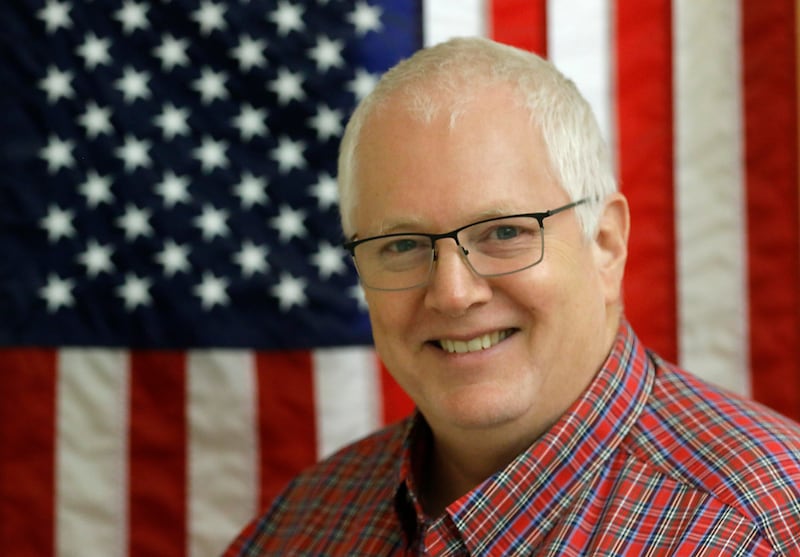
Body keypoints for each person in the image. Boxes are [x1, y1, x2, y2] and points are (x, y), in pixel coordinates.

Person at [225, 37, 800, 555]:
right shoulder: (301, 525)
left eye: (504, 233)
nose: (453, 294)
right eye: (402, 245)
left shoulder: (765, 527)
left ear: (605, 244)